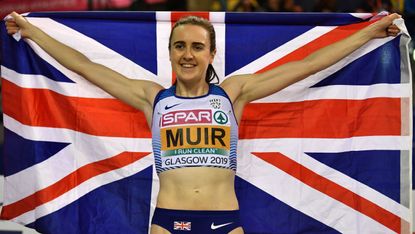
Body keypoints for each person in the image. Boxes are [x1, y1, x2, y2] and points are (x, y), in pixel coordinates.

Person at [5, 11, 400, 234]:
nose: (188, 54)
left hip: (225, 221)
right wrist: (33, 31)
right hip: (165, 223)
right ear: (171, 53)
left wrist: (367, 32)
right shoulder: (151, 98)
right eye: (180, 46)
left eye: (197, 46)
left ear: (211, 53)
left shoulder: (233, 94)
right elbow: (85, 66)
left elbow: (308, 65)